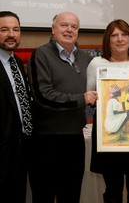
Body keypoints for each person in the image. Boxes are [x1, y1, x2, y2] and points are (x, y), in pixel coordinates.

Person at [27, 11, 97, 203]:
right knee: (44, 196)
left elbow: (105, 84)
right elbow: (43, 95)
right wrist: (81, 98)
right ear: (53, 28)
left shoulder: (86, 59)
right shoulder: (40, 55)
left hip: (74, 139)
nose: (69, 30)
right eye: (64, 25)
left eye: (74, 27)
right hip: (46, 140)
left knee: (71, 195)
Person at [88, 19, 129, 203]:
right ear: (107, 40)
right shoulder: (96, 63)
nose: (120, 39)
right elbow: (91, 98)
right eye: (114, 35)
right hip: (110, 137)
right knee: (113, 190)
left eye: (124, 34)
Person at [0, 11, 33, 203]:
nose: (11, 34)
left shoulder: (17, 62)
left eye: (15, 29)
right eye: (4, 30)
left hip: (20, 149)